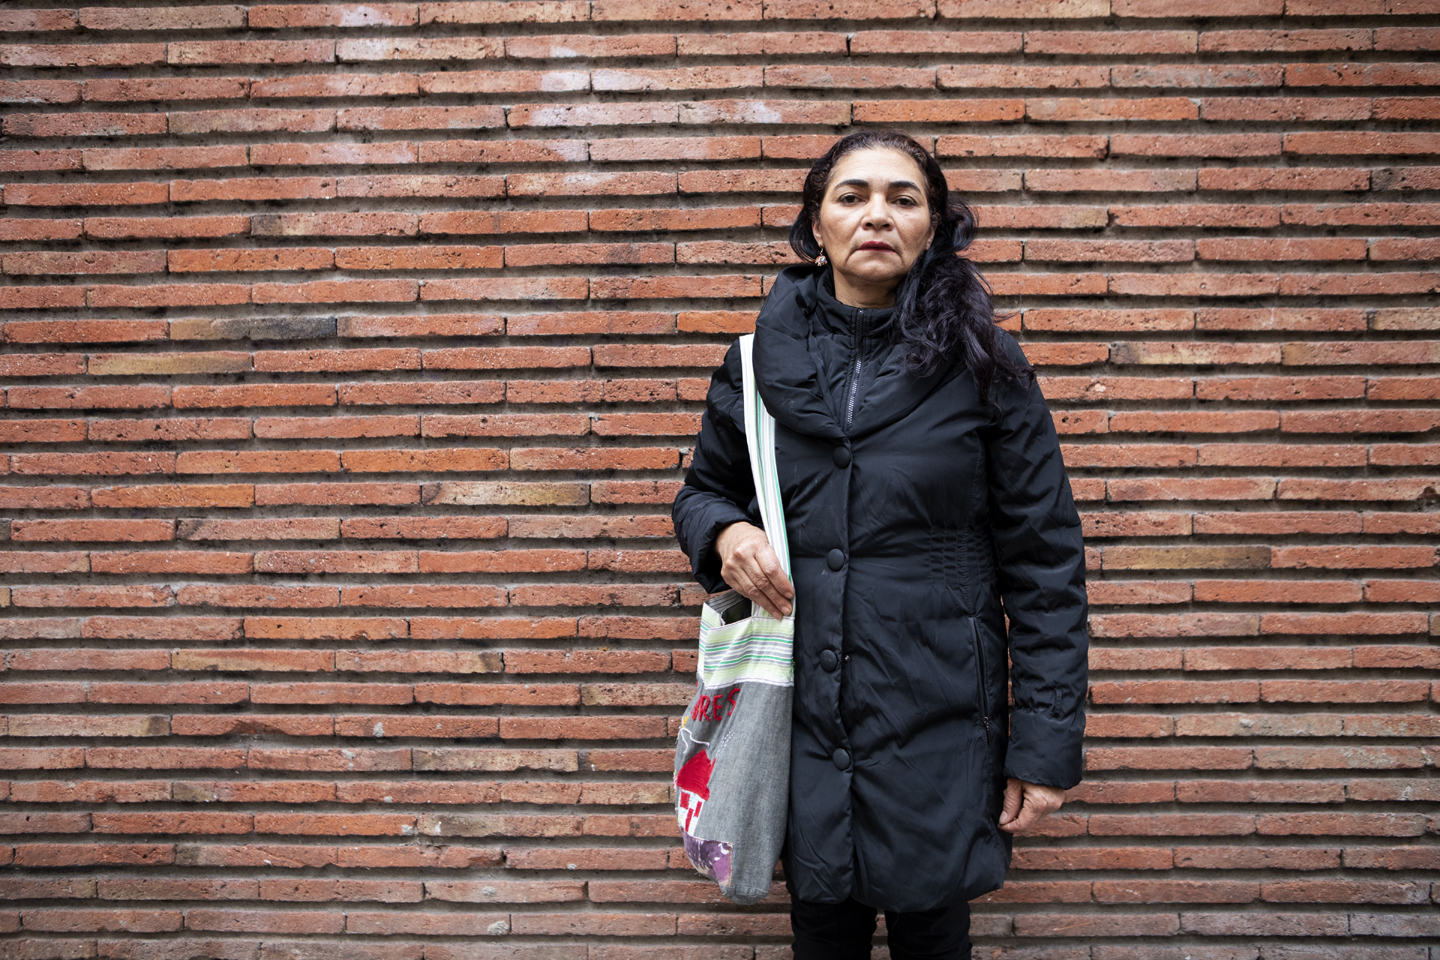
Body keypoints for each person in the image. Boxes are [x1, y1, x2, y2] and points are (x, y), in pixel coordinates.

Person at [672, 131, 1090, 960]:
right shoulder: (753, 365)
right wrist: (725, 532)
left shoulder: (985, 365)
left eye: (904, 199)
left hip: (943, 722)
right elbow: (701, 491)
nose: (877, 215)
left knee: (935, 933)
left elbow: (1045, 564)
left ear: (934, 227)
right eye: (852, 195)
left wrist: (1044, 749)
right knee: (821, 932)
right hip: (803, 718)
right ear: (815, 225)